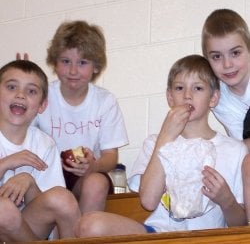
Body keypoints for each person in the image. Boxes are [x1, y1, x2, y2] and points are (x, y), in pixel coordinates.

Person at [74, 54, 248, 237]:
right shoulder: (154, 142)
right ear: (170, 97)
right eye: (180, 88)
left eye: (198, 88)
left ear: (213, 98)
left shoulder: (234, 150)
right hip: (159, 234)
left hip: (208, 238)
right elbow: (148, 201)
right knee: (88, 225)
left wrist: (226, 200)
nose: (187, 96)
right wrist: (166, 135)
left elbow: (241, 224)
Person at [28, 20, 129, 213]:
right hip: (47, 174)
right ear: (54, 63)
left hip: (86, 176)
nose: (73, 71)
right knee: (55, 194)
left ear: (96, 67)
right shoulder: (42, 95)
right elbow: (21, 135)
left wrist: (94, 165)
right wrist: (26, 90)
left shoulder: (104, 101)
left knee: (96, 182)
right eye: (66, 61)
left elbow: (111, 156)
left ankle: (85, 234)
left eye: (82, 62)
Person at [0, 60, 81, 242]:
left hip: (27, 227)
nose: (20, 95)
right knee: (4, 209)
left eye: (31, 91)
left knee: (63, 199)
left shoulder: (45, 144)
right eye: (12, 87)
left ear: (42, 105)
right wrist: (6, 163)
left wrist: (29, 183)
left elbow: (47, 205)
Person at [201, 8, 250, 149]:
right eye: (217, 56)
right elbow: (243, 148)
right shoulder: (219, 99)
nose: (227, 65)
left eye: (235, 53)